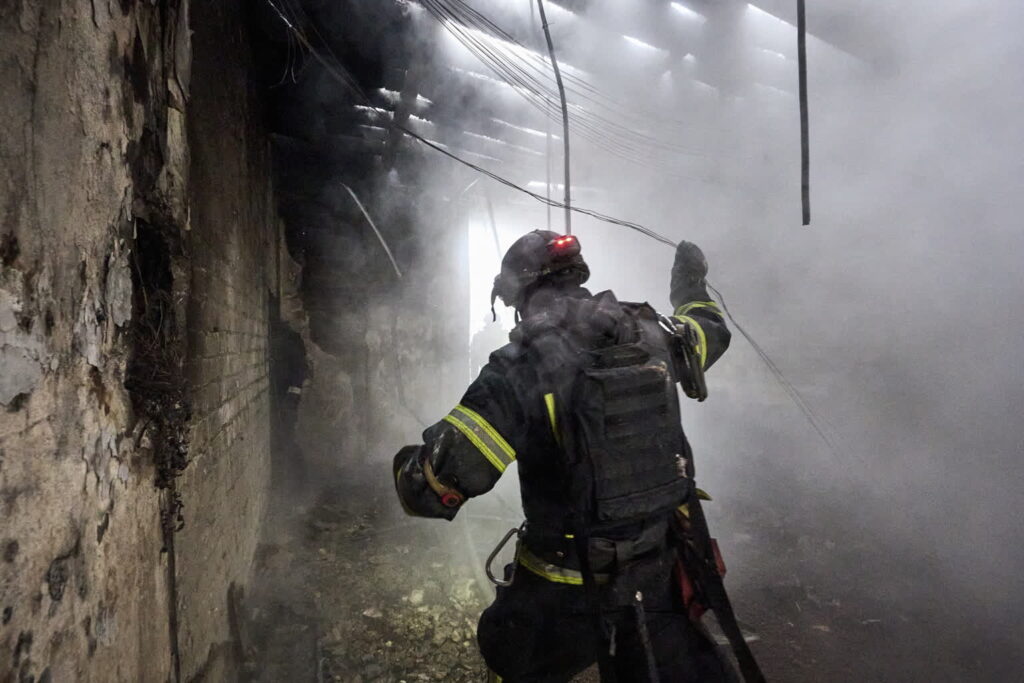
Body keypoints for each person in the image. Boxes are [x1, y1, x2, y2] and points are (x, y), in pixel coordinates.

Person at [392, 230, 745, 682]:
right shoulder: (654, 334)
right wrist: (689, 284)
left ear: (517, 295)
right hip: (656, 574)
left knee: (507, 650)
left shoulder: (518, 367)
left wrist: (408, 465)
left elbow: (430, 491)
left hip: (563, 589)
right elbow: (710, 330)